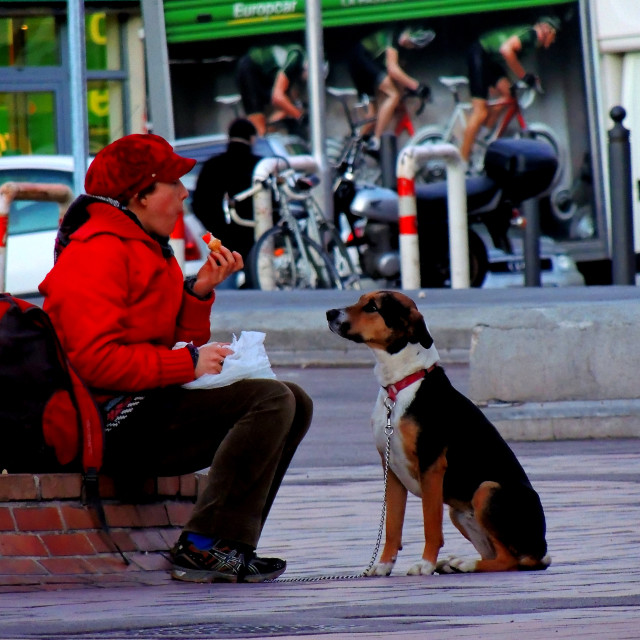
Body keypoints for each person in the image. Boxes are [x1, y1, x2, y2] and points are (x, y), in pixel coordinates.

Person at [39, 133, 313, 584]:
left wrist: (199, 290)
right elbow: (92, 360)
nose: (185, 192)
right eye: (173, 182)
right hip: (104, 422)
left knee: (295, 400)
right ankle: (203, 544)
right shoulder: (99, 251)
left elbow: (170, 341)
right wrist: (187, 365)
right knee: (269, 401)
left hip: (141, 407)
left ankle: (229, 543)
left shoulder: (148, 245)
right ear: (140, 194)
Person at [460, 16, 561, 165]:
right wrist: (524, 76)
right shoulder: (530, 35)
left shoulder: (531, 39)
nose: (553, 41)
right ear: (548, 30)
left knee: (508, 95)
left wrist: (527, 78)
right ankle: (461, 161)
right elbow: (506, 50)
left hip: (489, 60)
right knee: (480, 112)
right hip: (480, 54)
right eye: (554, 36)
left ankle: (483, 137)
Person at [191, 118, 261, 283]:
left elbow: (198, 205)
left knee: (222, 285)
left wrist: (212, 233)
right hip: (253, 237)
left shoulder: (211, 165)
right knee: (258, 283)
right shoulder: (260, 166)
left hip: (219, 238)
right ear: (252, 138)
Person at [345, 25, 434, 153]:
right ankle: (376, 139)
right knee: (393, 95)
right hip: (361, 57)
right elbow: (393, 70)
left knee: (372, 116)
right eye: (410, 43)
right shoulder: (394, 35)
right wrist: (418, 87)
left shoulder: (403, 48)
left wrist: (408, 90)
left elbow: (399, 75)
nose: (409, 46)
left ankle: (350, 151)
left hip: (362, 60)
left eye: (413, 46)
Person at [236, 44, 308, 136]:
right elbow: (277, 97)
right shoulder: (295, 57)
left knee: (287, 108)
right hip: (250, 69)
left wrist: (296, 112)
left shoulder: (299, 66)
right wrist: (300, 116)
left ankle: (269, 128)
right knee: (260, 129)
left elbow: (290, 96)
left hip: (267, 75)